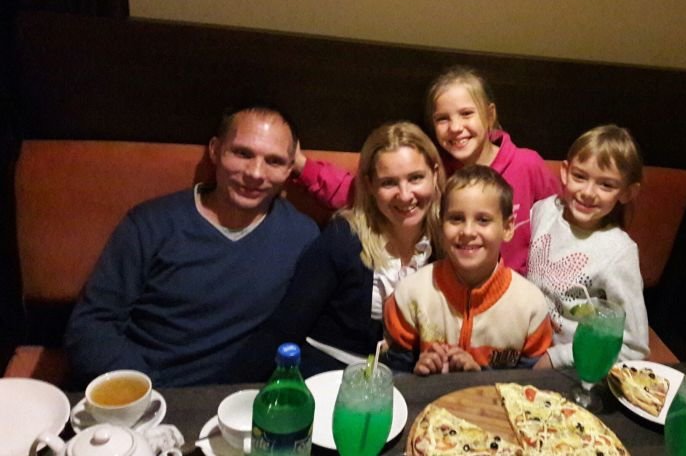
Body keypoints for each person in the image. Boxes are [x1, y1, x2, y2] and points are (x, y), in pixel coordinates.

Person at [64, 104, 319, 387]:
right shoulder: (151, 224)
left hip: (242, 398)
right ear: (215, 150)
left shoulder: (302, 236)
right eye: (242, 153)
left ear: (289, 169)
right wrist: (146, 391)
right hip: (145, 392)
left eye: (274, 161)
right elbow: (90, 327)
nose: (256, 173)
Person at [291, 66, 559, 275]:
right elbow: (358, 191)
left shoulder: (527, 165)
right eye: (443, 119)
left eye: (466, 114)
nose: (456, 127)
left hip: (517, 297)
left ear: (489, 115)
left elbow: (561, 222)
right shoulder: (433, 174)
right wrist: (302, 166)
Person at [227, 121, 445, 379]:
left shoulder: (447, 242)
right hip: (326, 375)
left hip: (404, 381)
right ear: (370, 185)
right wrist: (227, 392)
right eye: (389, 183)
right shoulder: (343, 238)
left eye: (416, 178)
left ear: (434, 174)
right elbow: (284, 327)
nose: (405, 195)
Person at [383, 165, 552, 375]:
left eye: (483, 220)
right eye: (456, 218)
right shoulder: (410, 294)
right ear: (441, 224)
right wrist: (418, 375)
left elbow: (531, 384)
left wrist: (476, 378)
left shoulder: (530, 306)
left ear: (508, 228)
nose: (468, 231)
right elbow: (392, 376)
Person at [526, 125, 649, 370]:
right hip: (523, 345)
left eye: (606, 185)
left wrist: (558, 358)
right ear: (565, 172)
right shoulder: (544, 210)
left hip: (569, 368)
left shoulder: (619, 252)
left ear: (627, 192)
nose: (588, 192)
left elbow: (633, 346)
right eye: (580, 177)